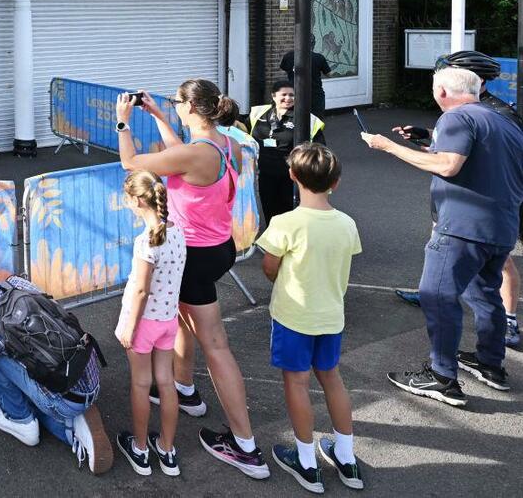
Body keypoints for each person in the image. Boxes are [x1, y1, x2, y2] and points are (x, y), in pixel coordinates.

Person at [116, 80, 270, 480]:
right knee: (178, 316)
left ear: (190, 108)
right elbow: (179, 154)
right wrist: (159, 116)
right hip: (219, 247)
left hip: (195, 257)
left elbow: (132, 163)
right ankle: (183, 389)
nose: (174, 107)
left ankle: (245, 445)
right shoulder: (226, 142)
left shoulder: (195, 153)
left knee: (215, 343)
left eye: (176, 103)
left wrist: (123, 123)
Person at [362, 67, 523, 405]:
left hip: (461, 228)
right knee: (485, 294)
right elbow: (477, 155)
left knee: (437, 296)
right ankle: (491, 364)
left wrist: (387, 146)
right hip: (501, 226)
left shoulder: (456, 118)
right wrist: (428, 138)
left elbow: (448, 165)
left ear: (442, 92)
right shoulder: (504, 121)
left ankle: (441, 376)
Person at [391, 50, 522, 348]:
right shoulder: (472, 107)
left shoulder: (500, 112)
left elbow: (488, 154)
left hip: (482, 205)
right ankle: (434, 290)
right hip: (454, 201)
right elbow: (464, 145)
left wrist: (390, 147)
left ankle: (510, 320)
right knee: (437, 242)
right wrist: (426, 135)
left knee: (500, 265)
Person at [257, 143, 364, 493]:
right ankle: (346, 457)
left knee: (297, 384)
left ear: (292, 176)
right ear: (336, 181)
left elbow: (270, 268)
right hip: (332, 315)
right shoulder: (347, 223)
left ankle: (305, 462)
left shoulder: (285, 223)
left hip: (293, 317)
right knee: (332, 379)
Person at [0, 258, 113, 474]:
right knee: (7, 349)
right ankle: (76, 423)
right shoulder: (18, 284)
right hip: (88, 370)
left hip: (64, 397)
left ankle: (22, 421)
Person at [114, 170, 187, 477]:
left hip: (143, 324)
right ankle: (167, 450)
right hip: (168, 321)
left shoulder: (146, 242)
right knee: (166, 383)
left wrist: (129, 327)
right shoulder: (178, 231)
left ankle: (141, 448)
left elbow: (141, 290)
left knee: (141, 385)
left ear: (136, 201)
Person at [246, 81, 326, 225]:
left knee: (288, 211)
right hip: (265, 173)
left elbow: (320, 147)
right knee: (269, 209)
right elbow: (241, 131)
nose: (288, 98)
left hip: (291, 175)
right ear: (273, 96)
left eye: (292, 95)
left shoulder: (304, 118)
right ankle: (273, 238)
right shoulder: (259, 113)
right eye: (284, 95)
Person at [279, 33, 332, 118]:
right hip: (314, 95)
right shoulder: (319, 58)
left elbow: (284, 69)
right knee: (316, 121)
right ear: (313, 43)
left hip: (294, 93)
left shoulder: (288, 56)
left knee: (294, 120)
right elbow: (329, 74)